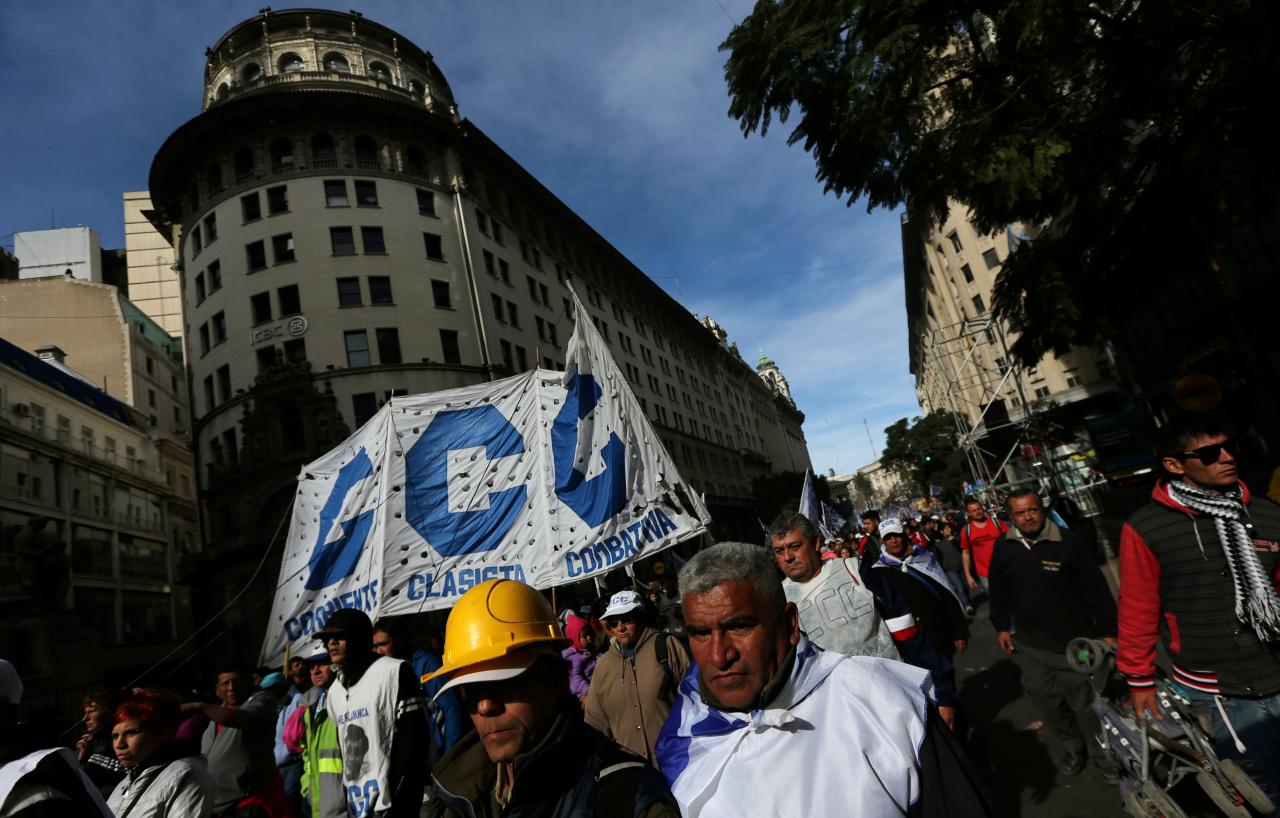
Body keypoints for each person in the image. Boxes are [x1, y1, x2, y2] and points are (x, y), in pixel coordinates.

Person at [655, 542, 992, 817]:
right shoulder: (685, 738)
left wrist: (944, 691)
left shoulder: (882, 704)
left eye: (739, 626)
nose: (718, 656)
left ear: (788, 625)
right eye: (699, 633)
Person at [1118, 418, 1280, 807]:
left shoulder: (1267, 513)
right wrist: (1139, 679)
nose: (1226, 458)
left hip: (1276, 665)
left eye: (1229, 447)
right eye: (1209, 453)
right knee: (1264, 796)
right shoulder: (1147, 527)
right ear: (1175, 465)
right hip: (1217, 690)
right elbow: (1139, 606)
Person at [423, 578, 679, 817]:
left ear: (556, 680)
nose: (485, 705)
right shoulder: (455, 795)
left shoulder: (628, 795)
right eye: (470, 689)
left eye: (505, 682)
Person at [989, 489, 1118, 777]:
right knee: (1049, 702)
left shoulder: (1068, 542)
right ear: (1011, 517)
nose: (1027, 517)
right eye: (1020, 513)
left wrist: (1109, 632)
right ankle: (1073, 749)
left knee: (1088, 704)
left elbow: (1096, 589)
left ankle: (1105, 755)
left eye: (1032, 510)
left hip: (1076, 644)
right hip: (1030, 646)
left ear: (1042, 509)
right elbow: (998, 589)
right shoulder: (1004, 546)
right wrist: (1000, 626)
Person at [316, 607, 430, 818]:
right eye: (327, 638)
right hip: (357, 808)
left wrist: (401, 800)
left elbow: (415, 741)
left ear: (358, 637)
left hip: (395, 804)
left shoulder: (395, 672)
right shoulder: (334, 693)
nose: (331, 643)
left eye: (339, 636)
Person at [872, 518, 969, 728]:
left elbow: (947, 595)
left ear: (904, 533)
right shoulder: (878, 573)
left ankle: (960, 732)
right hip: (912, 647)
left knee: (947, 690)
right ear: (882, 540)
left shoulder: (926, 558)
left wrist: (959, 631)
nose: (894, 541)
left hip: (941, 638)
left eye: (896, 535)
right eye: (888, 538)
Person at [584, 590, 691, 766]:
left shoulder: (667, 646)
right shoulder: (603, 665)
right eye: (613, 622)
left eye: (627, 619)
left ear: (640, 617)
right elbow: (595, 723)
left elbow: (696, 698)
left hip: (679, 763)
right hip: (634, 775)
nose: (620, 627)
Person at [189, 667, 292, 817]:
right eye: (226, 683)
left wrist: (199, 707)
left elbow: (244, 718)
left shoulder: (262, 701)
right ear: (217, 690)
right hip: (221, 806)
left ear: (249, 684)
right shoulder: (215, 717)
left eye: (237, 682)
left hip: (254, 804)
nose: (232, 688)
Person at [108, 689, 215, 818]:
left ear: (163, 732)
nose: (119, 744)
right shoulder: (126, 782)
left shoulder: (187, 775)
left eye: (131, 732)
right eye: (115, 736)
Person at [372, 618, 467, 759]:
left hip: (438, 758)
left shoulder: (426, 664)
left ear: (400, 640)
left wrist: (450, 756)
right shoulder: (383, 671)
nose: (379, 651)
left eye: (384, 644)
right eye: (375, 646)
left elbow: (451, 709)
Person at [288, 651, 346, 818]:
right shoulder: (310, 707)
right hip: (319, 803)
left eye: (321, 664)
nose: (315, 671)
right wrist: (308, 787)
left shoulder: (348, 700)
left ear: (336, 665)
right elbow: (307, 755)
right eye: (311, 667)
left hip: (345, 805)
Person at [274, 658, 311, 817]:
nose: (301, 667)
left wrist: (290, 751)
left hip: (292, 759)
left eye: (302, 664)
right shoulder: (280, 701)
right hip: (279, 761)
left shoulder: (298, 697)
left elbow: (296, 731)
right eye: (296, 665)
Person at [74, 688, 126, 799]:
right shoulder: (89, 744)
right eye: (85, 713)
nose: (85, 719)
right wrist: (82, 757)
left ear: (108, 711)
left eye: (91, 712)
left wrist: (85, 761)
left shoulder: (118, 741)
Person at [960, 497, 1008, 598]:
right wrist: (968, 576)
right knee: (998, 602)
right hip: (985, 573)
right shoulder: (966, 530)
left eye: (979, 509)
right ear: (968, 513)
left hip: (1006, 568)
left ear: (982, 508)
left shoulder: (997, 522)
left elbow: (1012, 542)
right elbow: (965, 553)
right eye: (973, 510)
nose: (978, 512)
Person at [933, 521, 973, 615]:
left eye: (949, 528)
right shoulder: (939, 543)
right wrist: (941, 570)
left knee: (965, 585)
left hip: (962, 565)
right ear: (942, 531)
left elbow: (963, 549)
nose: (949, 530)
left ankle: (967, 601)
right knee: (959, 587)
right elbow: (938, 557)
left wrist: (953, 540)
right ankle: (966, 605)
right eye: (946, 529)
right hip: (950, 568)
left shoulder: (957, 537)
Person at [560, 612, 598, 702]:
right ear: (575, 638)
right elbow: (576, 676)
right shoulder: (575, 658)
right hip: (586, 692)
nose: (589, 638)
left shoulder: (589, 650)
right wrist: (587, 690)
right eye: (584, 636)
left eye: (590, 633)